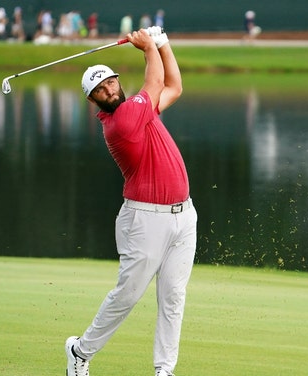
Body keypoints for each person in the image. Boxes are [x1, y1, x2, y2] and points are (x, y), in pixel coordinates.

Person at [66, 27, 197, 376]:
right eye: (100, 90)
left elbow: (174, 87)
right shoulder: (120, 122)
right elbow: (153, 82)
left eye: (110, 82)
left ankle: (164, 370)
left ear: (116, 81)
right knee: (128, 295)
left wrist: (164, 42)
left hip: (184, 216)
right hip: (145, 219)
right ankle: (80, 350)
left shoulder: (140, 111)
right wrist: (148, 47)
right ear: (92, 100)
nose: (109, 89)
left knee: (173, 297)